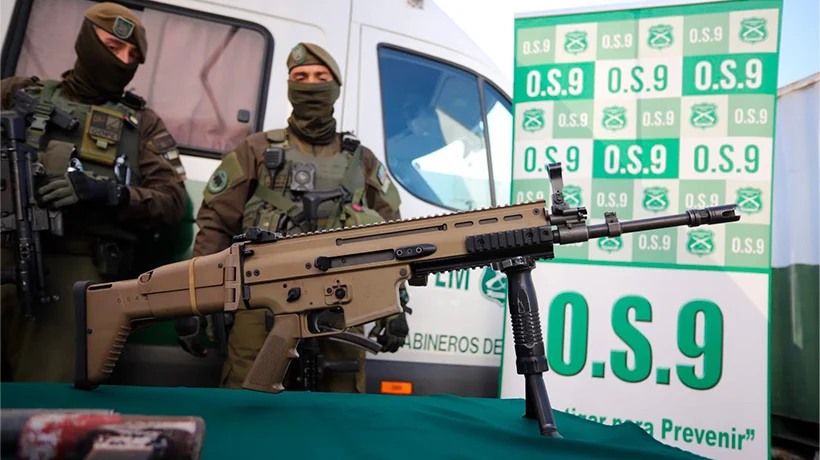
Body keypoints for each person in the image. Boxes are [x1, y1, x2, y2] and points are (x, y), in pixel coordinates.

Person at [180, 42, 410, 393]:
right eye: (300, 77)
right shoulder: (256, 150)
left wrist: (396, 304)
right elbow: (215, 226)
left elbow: (391, 236)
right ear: (289, 85)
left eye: (320, 77)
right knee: (248, 402)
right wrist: (197, 302)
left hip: (343, 303)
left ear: (335, 86)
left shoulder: (361, 161)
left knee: (341, 407)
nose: (310, 84)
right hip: (261, 302)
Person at [0, 2, 187, 383]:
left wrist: (107, 194)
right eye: (113, 47)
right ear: (87, 42)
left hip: (72, 272)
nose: (122, 61)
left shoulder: (142, 126)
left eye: (132, 56)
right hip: (4, 247)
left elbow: (171, 202)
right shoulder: (18, 93)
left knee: (47, 398)